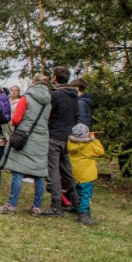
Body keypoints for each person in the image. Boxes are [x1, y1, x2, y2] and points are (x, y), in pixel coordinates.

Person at [0, 75, 52, 217]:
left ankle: (11, 204)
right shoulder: (48, 102)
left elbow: (16, 119)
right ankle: (36, 207)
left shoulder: (26, 98)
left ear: (33, 83)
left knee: (18, 171)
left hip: (24, 137)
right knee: (39, 174)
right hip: (42, 138)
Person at [44, 66, 81, 216]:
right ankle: (76, 203)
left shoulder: (56, 95)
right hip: (66, 136)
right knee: (67, 173)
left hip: (54, 136)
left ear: (54, 77)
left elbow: (48, 114)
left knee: (53, 172)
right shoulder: (74, 96)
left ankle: (56, 205)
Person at [67, 123, 104, 226]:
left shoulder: (70, 143)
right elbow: (100, 152)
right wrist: (94, 140)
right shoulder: (90, 144)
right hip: (87, 175)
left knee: (77, 192)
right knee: (86, 195)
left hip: (76, 173)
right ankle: (84, 214)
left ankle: (76, 207)